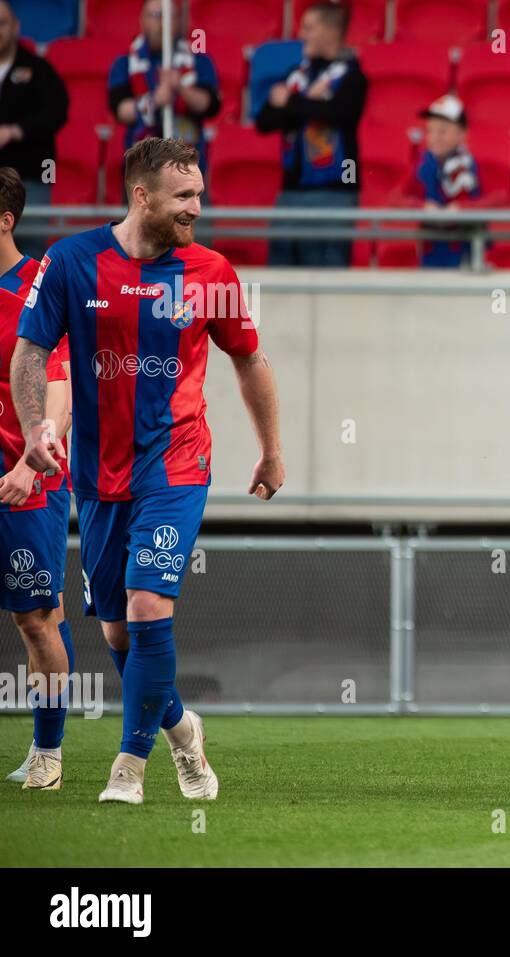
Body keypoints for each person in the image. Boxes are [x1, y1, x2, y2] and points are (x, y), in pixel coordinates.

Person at [12, 137, 285, 804]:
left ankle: (128, 766)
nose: (198, 206)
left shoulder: (212, 273)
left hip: (177, 461)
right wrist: (35, 432)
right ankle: (181, 728)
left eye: (200, 193)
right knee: (116, 630)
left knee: (147, 604)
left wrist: (271, 448)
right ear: (142, 196)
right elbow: (29, 354)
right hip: (98, 474)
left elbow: (249, 360)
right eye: (184, 196)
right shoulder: (73, 261)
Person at [0, 167, 69, 790]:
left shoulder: (37, 285)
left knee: (35, 620)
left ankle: (47, 755)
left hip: (24, 479)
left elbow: (59, 385)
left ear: (5, 220)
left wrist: (29, 459)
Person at [255, 1, 367, 267]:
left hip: (336, 191)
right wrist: (309, 102)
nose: (302, 34)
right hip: (290, 192)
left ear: (331, 32)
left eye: (309, 28)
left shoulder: (353, 76)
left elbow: (339, 113)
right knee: (282, 276)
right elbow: (265, 121)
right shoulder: (297, 74)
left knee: (326, 279)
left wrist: (293, 102)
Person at [109, 0, 222, 178]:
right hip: (142, 168)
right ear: (142, 21)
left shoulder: (199, 61)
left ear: (179, 21)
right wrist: (154, 101)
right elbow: (120, 109)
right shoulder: (125, 63)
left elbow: (211, 105)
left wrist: (181, 89)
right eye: (156, 15)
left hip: (188, 166)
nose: (162, 22)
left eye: (169, 15)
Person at [0, 0, 69, 259]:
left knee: (29, 254)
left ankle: (30, 301)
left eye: (2, 23)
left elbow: (57, 112)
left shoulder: (38, 68)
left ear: (16, 27)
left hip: (32, 177)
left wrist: (16, 131)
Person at [401, 94, 481, 268]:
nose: (434, 137)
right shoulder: (421, 165)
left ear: (462, 134)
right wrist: (423, 207)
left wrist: (462, 209)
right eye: (429, 130)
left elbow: (499, 199)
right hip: (430, 255)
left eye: (443, 131)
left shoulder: (474, 165)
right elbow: (396, 198)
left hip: (465, 255)